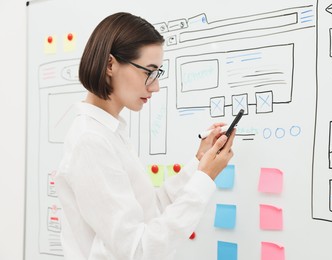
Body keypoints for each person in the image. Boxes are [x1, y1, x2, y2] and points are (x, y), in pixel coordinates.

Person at [55, 12, 236, 260]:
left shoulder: (110, 132)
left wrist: (199, 163)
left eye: (157, 74)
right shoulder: (91, 140)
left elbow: (150, 210)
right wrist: (204, 179)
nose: (155, 86)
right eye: (148, 72)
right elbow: (138, 250)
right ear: (110, 65)